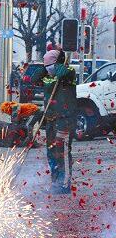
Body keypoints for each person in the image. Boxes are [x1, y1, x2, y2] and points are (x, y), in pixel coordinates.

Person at [42, 49, 77, 194]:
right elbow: (33, 78)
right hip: (51, 120)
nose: (48, 69)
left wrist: (58, 65)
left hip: (65, 120)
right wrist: (44, 68)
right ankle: (55, 181)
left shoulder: (68, 73)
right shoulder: (47, 76)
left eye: (50, 65)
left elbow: (63, 73)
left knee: (62, 151)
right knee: (51, 152)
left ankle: (64, 184)